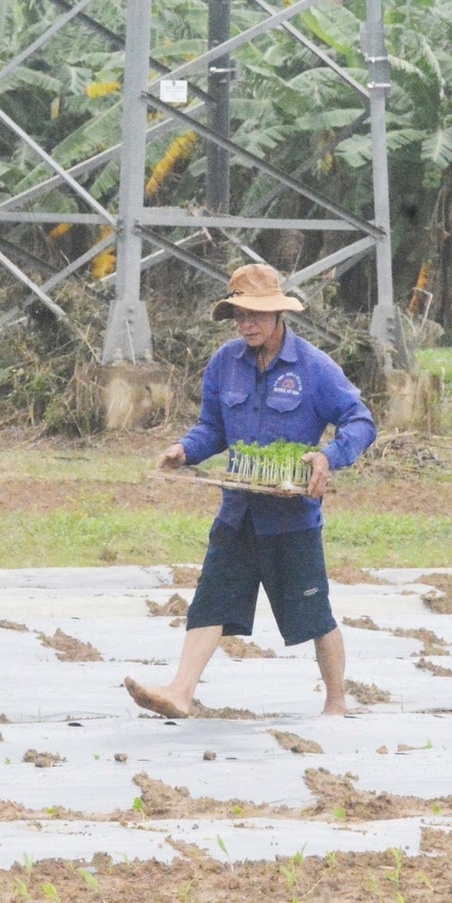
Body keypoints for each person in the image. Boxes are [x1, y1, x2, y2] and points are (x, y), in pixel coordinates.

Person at [124, 263, 377, 719]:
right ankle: (180, 692)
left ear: (279, 315)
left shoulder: (314, 368)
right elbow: (212, 427)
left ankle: (336, 702)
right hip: (237, 510)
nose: (246, 324)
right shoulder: (225, 363)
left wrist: (328, 457)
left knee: (314, 613)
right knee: (210, 601)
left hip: (292, 518)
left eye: (256, 315)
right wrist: (186, 450)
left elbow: (361, 421)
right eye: (240, 315)